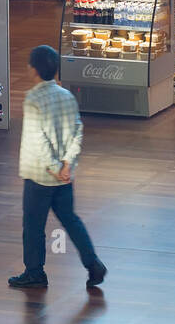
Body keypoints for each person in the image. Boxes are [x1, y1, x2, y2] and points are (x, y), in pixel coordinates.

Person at [9, 44, 107, 290]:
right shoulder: (67, 96)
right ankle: (93, 264)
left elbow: (37, 139)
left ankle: (35, 272)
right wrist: (67, 165)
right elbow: (77, 131)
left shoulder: (33, 100)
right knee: (71, 220)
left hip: (39, 176)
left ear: (33, 70)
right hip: (64, 177)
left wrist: (53, 167)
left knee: (33, 225)